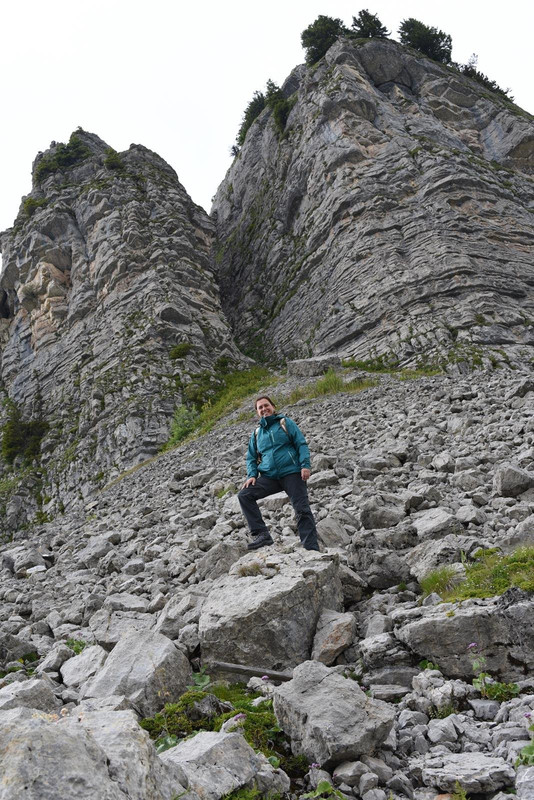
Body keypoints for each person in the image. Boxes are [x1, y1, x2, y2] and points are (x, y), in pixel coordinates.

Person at [238, 395, 320, 551]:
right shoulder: (257, 434)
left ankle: (311, 548)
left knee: (302, 509)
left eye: (266, 405)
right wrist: (252, 475)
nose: (264, 409)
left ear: (273, 407)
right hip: (270, 476)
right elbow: (251, 457)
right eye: (260, 407)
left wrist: (305, 465)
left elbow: (301, 443)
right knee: (244, 495)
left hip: (292, 472)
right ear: (257, 412)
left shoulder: (285, 423)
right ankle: (262, 535)